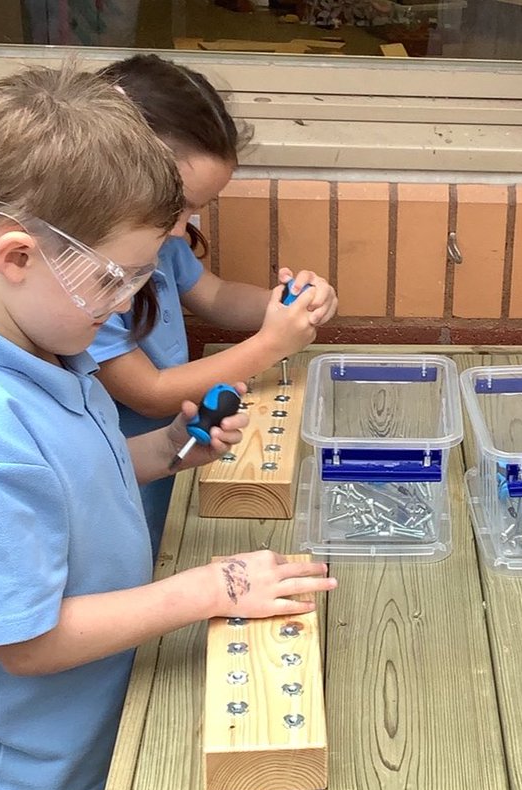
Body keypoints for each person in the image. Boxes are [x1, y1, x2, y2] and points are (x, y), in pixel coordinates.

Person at [0, 66, 336, 790]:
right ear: (16, 254)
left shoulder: (34, 350)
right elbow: (26, 641)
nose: (128, 300)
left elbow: (67, 484)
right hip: (31, 789)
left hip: (90, 735)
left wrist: (164, 450)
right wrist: (214, 587)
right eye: (115, 278)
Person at [93, 54, 340, 557]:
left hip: (171, 455)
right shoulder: (88, 285)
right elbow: (150, 394)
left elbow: (216, 295)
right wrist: (271, 345)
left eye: (193, 210)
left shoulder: (162, 246)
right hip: (119, 478)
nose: (184, 228)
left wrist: (287, 308)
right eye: (173, 206)